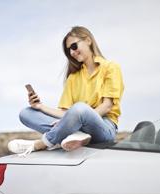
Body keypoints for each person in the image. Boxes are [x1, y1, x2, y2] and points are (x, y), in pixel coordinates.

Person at [8, 26, 124, 157]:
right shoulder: (73, 77)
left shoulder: (111, 68)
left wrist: (74, 120)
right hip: (75, 123)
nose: (72, 52)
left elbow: (107, 106)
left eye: (74, 46)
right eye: (69, 50)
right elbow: (65, 113)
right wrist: (40, 107)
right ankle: (74, 134)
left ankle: (41, 144)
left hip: (104, 126)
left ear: (88, 40)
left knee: (80, 109)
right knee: (26, 113)